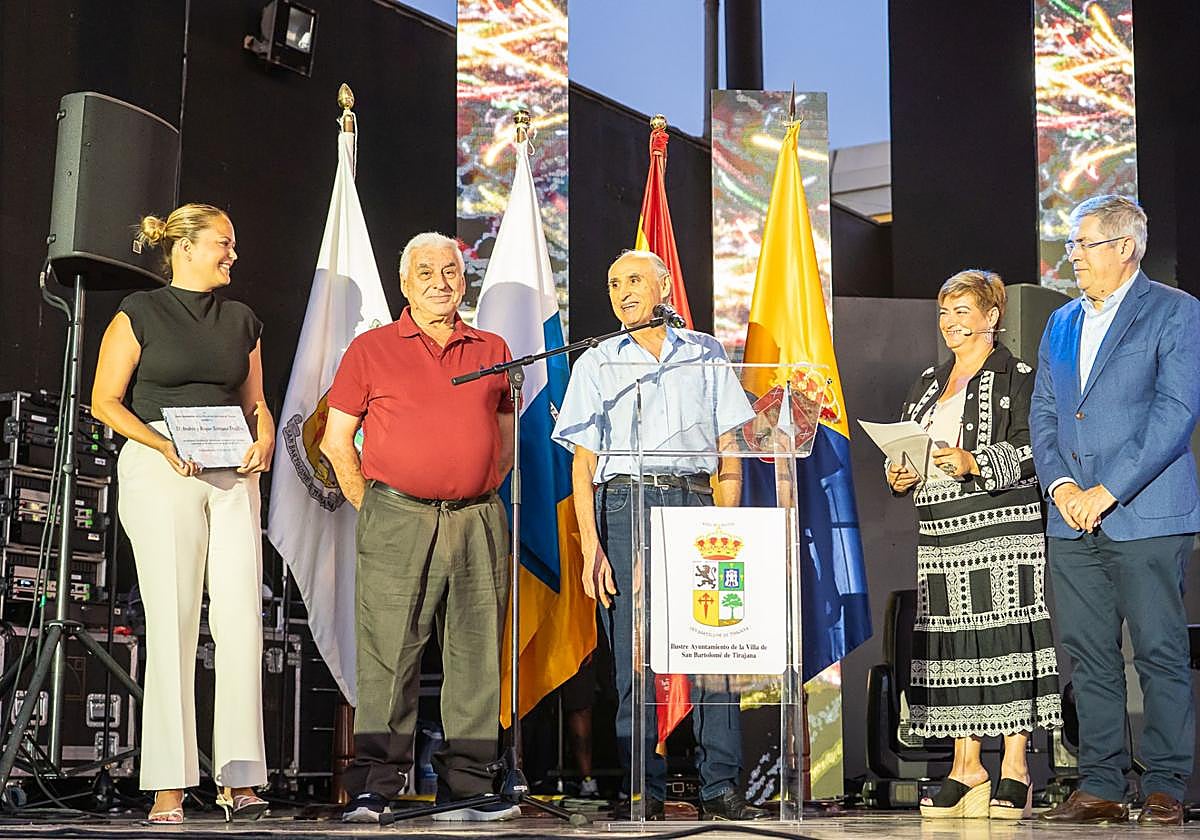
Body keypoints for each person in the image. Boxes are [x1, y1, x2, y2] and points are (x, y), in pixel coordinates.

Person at [552, 250, 767, 821]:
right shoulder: (598, 361)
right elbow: (582, 463)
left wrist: (733, 524)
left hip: (698, 498)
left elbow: (729, 448)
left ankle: (720, 784)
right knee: (634, 653)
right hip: (624, 502)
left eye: (634, 281)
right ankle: (639, 786)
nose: (622, 292)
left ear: (664, 286)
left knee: (716, 645)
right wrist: (590, 544)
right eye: (613, 282)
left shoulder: (706, 352)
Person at [321, 231, 517, 824]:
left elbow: (505, 441)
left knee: (477, 656)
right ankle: (376, 787)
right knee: (388, 657)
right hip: (396, 517)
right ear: (405, 284)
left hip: (478, 517)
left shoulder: (494, 346)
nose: (440, 280)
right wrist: (376, 507)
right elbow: (335, 442)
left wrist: (475, 481)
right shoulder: (370, 348)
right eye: (426, 271)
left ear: (464, 279)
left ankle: (469, 787)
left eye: (452, 270)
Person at [91, 204, 272, 824]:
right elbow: (104, 401)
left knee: (242, 619)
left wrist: (266, 438)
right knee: (172, 622)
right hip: (161, 466)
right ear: (186, 247)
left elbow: (257, 405)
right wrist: (160, 443)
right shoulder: (140, 312)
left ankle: (241, 779)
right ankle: (168, 785)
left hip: (229, 473)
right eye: (224, 243)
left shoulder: (243, 319)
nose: (233, 254)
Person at [1030, 195, 1200, 827]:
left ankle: (1164, 784)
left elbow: (1175, 414)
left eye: (1084, 244)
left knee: (1158, 651)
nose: (1072, 256)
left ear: (1125, 247)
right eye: (1072, 244)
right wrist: (1064, 488)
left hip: (1145, 513)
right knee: (1090, 653)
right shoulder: (1060, 322)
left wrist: (1110, 490)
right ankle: (1100, 783)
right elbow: (1045, 413)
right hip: (1071, 516)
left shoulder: (1176, 313)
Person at [887, 269, 1061, 820]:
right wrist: (901, 471)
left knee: (1005, 643)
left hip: (1001, 529)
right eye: (944, 312)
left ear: (992, 318)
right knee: (955, 647)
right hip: (940, 531)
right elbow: (906, 444)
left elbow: (1038, 451)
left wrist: (975, 461)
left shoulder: (1020, 376)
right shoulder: (928, 382)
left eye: (963, 311)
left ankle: (1014, 766)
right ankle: (966, 768)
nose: (950, 323)